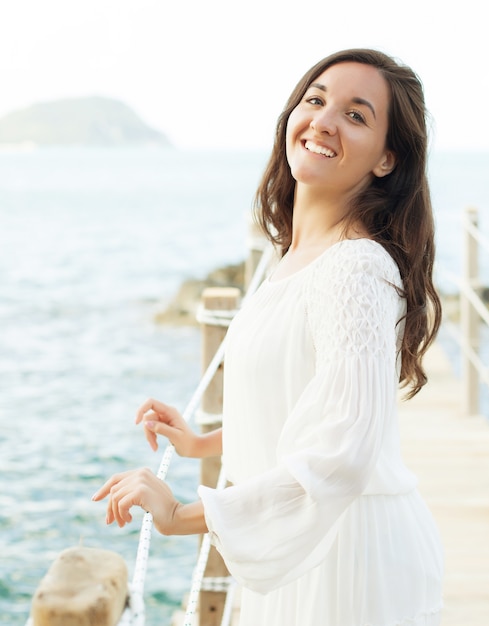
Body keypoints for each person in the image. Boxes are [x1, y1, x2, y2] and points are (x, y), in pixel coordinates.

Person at [93, 48, 444, 625]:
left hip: (346, 562)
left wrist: (182, 515)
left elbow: (342, 453)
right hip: (313, 550)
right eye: (316, 99)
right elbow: (310, 397)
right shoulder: (295, 256)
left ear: (387, 159)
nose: (325, 120)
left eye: (356, 115)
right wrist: (204, 444)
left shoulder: (355, 269)